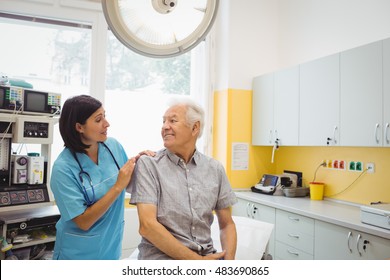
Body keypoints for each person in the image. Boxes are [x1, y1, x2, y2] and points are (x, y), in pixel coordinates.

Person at [129, 97, 237, 260]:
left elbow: (227, 224)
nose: (165, 127)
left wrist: (228, 265)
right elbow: (147, 227)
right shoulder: (149, 164)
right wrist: (197, 262)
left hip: (206, 255)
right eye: (163, 121)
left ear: (195, 128)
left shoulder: (215, 169)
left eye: (173, 121)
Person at [50, 95, 153, 260]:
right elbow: (83, 222)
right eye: (98, 120)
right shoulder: (63, 169)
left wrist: (141, 163)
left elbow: (128, 181)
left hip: (111, 246)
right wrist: (117, 187)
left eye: (104, 116)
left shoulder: (113, 146)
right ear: (79, 127)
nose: (107, 123)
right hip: (78, 254)